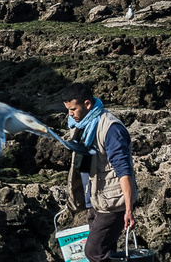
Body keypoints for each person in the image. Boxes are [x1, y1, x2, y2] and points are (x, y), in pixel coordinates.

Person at [60, 80, 137, 261]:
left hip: (113, 203)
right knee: (105, 251)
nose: (70, 114)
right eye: (67, 110)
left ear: (87, 104)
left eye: (73, 109)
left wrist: (128, 210)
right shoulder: (80, 124)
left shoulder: (111, 129)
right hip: (95, 198)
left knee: (92, 252)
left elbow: (124, 171)